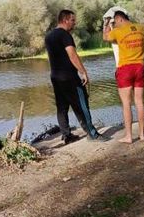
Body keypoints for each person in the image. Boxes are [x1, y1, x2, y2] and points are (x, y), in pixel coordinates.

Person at [45, 9, 107, 144]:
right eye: (72, 20)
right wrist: (83, 72)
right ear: (65, 20)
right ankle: (92, 134)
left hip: (55, 77)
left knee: (62, 108)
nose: (74, 23)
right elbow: (72, 54)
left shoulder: (49, 36)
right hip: (69, 77)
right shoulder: (65, 35)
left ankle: (66, 135)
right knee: (81, 104)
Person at [103, 10, 144, 143]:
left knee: (126, 104)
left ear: (120, 19)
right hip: (140, 67)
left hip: (125, 68)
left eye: (115, 22)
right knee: (139, 102)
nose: (115, 24)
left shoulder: (118, 31)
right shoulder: (142, 28)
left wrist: (106, 24)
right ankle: (142, 135)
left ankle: (129, 136)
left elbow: (105, 37)